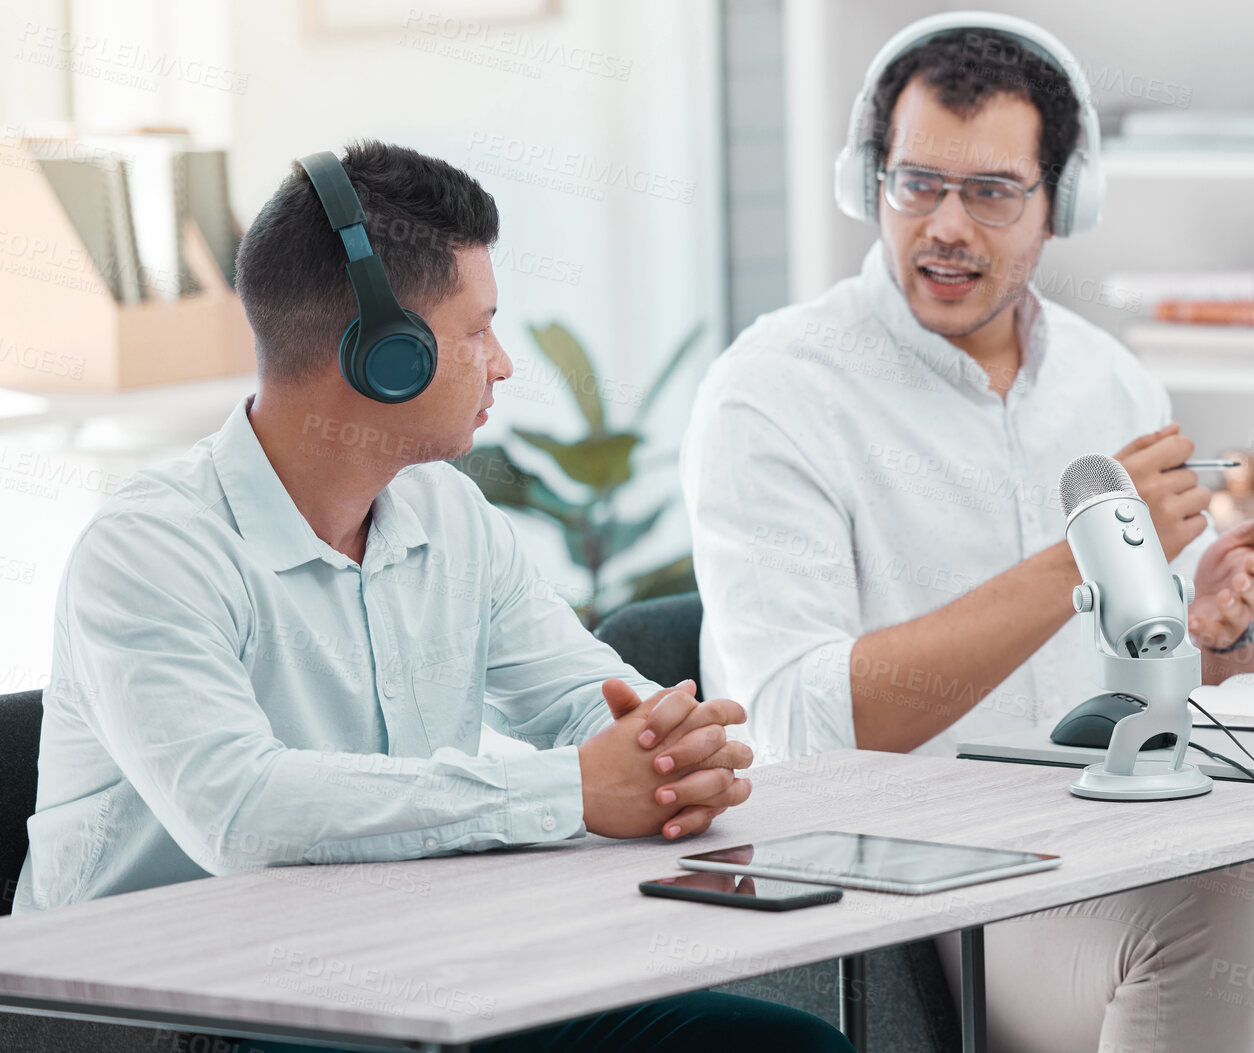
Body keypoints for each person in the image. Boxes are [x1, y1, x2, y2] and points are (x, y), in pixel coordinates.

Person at [682, 15, 1254, 1053]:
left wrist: (1228, 628)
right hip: (918, 866)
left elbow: (1202, 677)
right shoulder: (772, 392)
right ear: (868, 181)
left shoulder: (1106, 377)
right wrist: (1081, 554)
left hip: (1129, 831)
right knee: (1211, 916)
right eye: (915, 183)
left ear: (1064, 202)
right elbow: (798, 725)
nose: (946, 227)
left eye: (993, 191)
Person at [14, 141, 850, 1053]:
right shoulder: (150, 550)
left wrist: (666, 745)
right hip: (169, 1009)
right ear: (385, 356)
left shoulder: (449, 516)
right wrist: (575, 786)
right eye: (477, 331)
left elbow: (582, 698)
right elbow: (244, 812)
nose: (503, 365)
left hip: (398, 975)